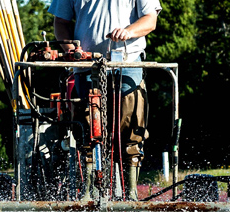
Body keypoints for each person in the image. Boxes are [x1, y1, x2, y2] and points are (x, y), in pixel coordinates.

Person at [49, 0, 162, 200]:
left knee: (130, 129)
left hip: (127, 63)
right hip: (86, 66)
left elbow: (150, 19)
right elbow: (61, 22)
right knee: (87, 130)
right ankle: (88, 195)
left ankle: (131, 196)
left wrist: (128, 31)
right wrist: (70, 49)